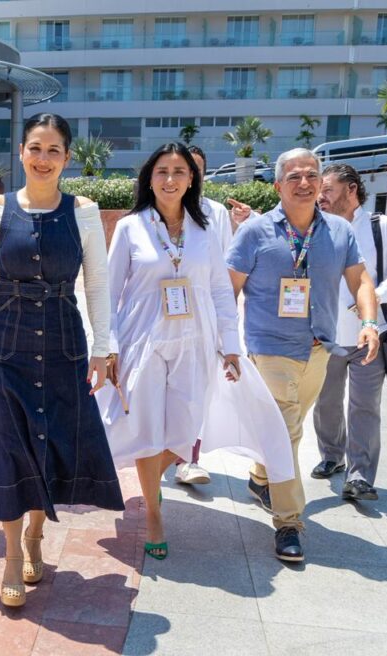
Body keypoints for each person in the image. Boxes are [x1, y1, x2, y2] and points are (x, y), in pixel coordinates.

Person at [0, 113, 124, 608]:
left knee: (47, 444)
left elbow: (97, 283)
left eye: (54, 150)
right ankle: (12, 556)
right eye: (35, 148)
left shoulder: (84, 211)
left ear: (67, 158)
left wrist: (102, 348)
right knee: (10, 448)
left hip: (63, 344)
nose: (43, 159)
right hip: (5, 346)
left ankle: (35, 532)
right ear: (21, 153)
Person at [226, 148, 381, 562]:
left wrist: (369, 322)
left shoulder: (339, 231)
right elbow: (228, 289)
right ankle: (289, 522)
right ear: (278, 185)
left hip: (319, 350)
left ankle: (261, 477)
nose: (305, 183)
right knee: (288, 432)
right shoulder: (255, 232)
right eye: (294, 176)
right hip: (270, 349)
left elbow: (361, 280)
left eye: (312, 175)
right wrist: (225, 345)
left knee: (282, 431)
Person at [98, 143, 241, 560]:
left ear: (192, 179)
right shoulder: (131, 227)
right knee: (145, 429)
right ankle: (153, 513)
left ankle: (146, 480)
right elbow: (108, 292)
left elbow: (220, 289)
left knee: (183, 430)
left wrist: (230, 346)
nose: (170, 179)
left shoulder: (204, 229)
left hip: (194, 340)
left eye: (179, 171)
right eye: (162, 171)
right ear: (149, 178)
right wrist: (109, 347)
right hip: (142, 339)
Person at [312, 164, 387, 501]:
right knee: (326, 402)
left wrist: (376, 296)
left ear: (351, 189)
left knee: (364, 406)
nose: (320, 196)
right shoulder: (316, 225)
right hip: (326, 336)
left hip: (371, 335)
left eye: (327, 189)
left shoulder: (379, 226)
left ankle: (360, 476)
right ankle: (332, 456)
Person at [169, 145, 238, 486]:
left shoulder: (215, 214)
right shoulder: (152, 213)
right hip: (161, 317)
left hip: (201, 319)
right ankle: (158, 460)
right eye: (183, 169)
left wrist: (227, 331)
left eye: (195, 170)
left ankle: (188, 460)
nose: (189, 176)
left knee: (195, 391)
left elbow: (223, 274)